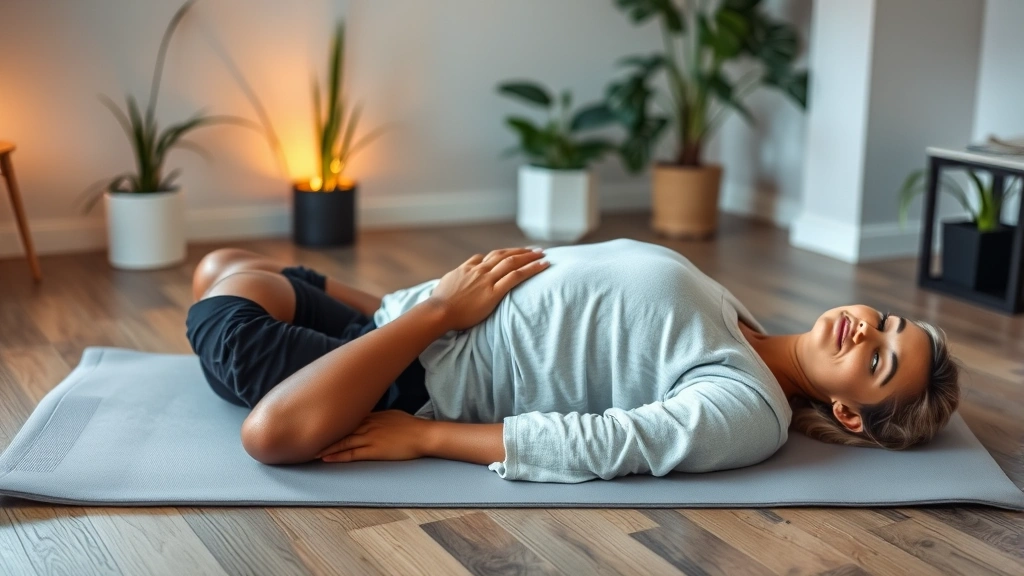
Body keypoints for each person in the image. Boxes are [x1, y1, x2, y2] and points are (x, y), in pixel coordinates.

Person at [185, 238, 961, 483]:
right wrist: (430, 304)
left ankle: (380, 316)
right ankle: (375, 308)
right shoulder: (739, 320)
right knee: (222, 265)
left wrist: (429, 437)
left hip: (417, 369)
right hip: (406, 317)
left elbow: (608, 443)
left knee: (257, 392)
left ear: (850, 412)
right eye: (885, 322)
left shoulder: (750, 410)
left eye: (882, 362)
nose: (867, 332)